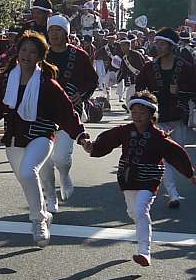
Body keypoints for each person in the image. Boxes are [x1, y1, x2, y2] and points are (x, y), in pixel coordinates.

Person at [0, 31, 90, 248]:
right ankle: (43, 213)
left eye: (32, 52)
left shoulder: (47, 83)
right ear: (18, 52)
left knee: (27, 172)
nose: (26, 55)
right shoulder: (7, 80)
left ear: (40, 57)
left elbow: (66, 111)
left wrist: (81, 136)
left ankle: (38, 220)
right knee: (26, 180)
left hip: (41, 135)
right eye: (23, 50)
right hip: (14, 137)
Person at [83, 92, 196, 266]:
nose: (137, 116)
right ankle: (141, 228)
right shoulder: (124, 131)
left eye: (142, 113)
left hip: (149, 179)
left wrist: (190, 174)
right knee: (133, 212)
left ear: (152, 114)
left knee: (141, 208)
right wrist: (93, 147)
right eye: (134, 112)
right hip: (128, 179)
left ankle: (144, 251)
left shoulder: (159, 137)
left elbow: (177, 155)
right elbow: (107, 140)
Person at [40, 15, 98, 212]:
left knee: (61, 157)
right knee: (44, 160)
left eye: (58, 30)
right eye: (51, 30)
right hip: (43, 112)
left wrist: (81, 95)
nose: (54, 34)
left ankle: (64, 177)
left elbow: (92, 80)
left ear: (66, 33)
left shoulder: (79, 55)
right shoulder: (41, 53)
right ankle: (50, 198)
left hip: (69, 112)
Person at [136, 27, 196, 209]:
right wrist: (146, 101)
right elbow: (140, 89)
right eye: (157, 43)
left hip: (178, 117)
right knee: (164, 156)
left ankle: (182, 182)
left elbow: (194, 90)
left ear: (171, 46)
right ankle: (172, 194)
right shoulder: (149, 67)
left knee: (177, 155)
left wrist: (180, 91)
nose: (158, 47)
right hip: (158, 118)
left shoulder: (185, 67)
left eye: (162, 44)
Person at [117, 37, 146, 108]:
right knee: (130, 96)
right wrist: (119, 79)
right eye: (121, 46)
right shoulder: (124, 57)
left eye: (123, 45)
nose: (122, 47)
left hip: (140, 79)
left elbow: (143, 67)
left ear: (128, 46)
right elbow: (123, 70)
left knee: (132, 97)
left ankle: (132, 110)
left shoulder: (136, 54)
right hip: (132, 80)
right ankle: (131, 110)